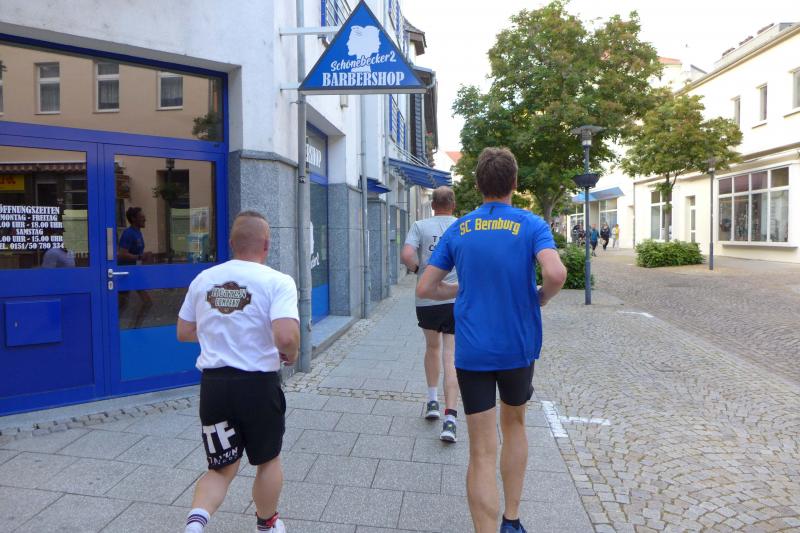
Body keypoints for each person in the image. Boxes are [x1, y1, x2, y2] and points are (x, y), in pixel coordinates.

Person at [417, 147, 567, 533]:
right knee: (514, 424)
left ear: (478, 184)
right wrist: (541, 297)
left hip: (473, 349)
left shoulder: (460, 228)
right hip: (517, 345)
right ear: (514, 183)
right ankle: (511, 521)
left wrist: (458, 290)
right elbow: (555, 273)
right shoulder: (531, 224)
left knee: (481, 450)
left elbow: (425, 287)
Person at [177, 211, 299, 533]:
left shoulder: (203, 279)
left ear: (232, 243)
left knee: (221, 468)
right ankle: (267, 524)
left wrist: (221, 334)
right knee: (267, 460)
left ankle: (195, 524)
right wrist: (291, 355)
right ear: (267, 244)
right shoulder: (277, 281)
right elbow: (286, 338)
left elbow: (184, 331)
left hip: (215, 387)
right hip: (258, 387)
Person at [400, 186, 459, 443]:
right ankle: (450, 418)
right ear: (453, 205)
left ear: (433, 205)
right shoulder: (461, 226)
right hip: (455, 297)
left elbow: (406, 255)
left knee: (432, 348)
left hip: (427, 298)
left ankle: (432, 401)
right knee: (451, 355)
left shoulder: (420, 226)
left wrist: (418, 270)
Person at [117, 206, 153, 328]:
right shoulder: (128, 233)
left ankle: (135, 327)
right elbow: (122, 254)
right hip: (126, 273)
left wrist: (143, 257)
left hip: (135, 272)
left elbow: (137, 254)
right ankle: (121, 328)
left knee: (144, 303)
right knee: (125, 304)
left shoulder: (138, 232)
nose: (145, 219)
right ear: (133, 218)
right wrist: (140, 257)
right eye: (142, 217)